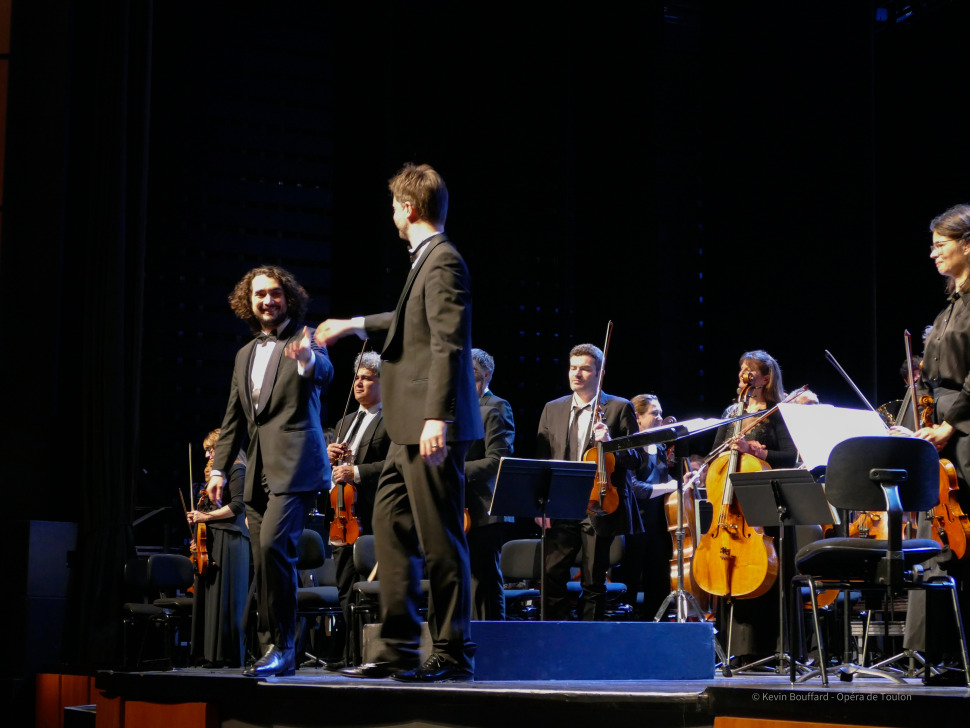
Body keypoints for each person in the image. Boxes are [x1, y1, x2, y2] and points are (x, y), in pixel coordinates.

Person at [315, 163, 482, 682]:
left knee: (440, 537)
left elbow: (448, 343)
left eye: (393, 207)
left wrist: (439, 415)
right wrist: (351, 324)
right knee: (388, 526)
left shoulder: (443, 261)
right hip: (405, 428)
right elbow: (407, 320)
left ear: (407, 208)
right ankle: (398, 647)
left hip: (428, 424)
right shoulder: (426, 262)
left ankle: (453, 650)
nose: (391, 215)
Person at [207, 265, 334, 678]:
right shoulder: (245, 354)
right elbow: (234, 420)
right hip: (259, 470)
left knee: (274, 549)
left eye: (275, 293)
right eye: (259, 294)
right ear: (249, 301)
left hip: (297, 465)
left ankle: (283, 646)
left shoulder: (305, 338)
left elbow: (325, 374)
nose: (267, 300)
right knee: (263, 562)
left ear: (288, 298)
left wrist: (307, 360)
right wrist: (218, 471)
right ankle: (270, 651)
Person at [904, 203, 970, 675]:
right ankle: (936, 656)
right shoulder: (949, 308)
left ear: (967, 244)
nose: (933, 254)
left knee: (965, 544)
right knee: (938, 546)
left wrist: (950, 424)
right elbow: (928, 379)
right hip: (938, 433)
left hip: (965, 431)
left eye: (940, 245)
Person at [535, 343, 644, 620]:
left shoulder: (619, 407)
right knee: (550, 573)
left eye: (585, 368)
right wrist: (540, 505)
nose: (577, 374)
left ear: (600, 373)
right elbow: (543, 459)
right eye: (573, 368)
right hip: (561, 502)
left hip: (599, 500)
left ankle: (588, 640)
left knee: (594, 579)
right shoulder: (552, 408)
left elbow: (637, 458)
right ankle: (557, 634)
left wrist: (609, 444)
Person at [704, 350, 797, 663]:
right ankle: (737, 650)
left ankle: (771, 649)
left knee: (767, 576)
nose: (744, 376)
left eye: (750, 371)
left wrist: (758, 450)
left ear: (766, 378)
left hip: (767, 505)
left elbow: (792, 457)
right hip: (732, 508)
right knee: (733, 575)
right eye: (741, 370)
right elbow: (716, 451)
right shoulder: (733, 412)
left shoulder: (778, 413)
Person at [323, 351, 390, 669]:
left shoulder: (391, 418)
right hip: (342, 515)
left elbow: (393, 465)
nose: (359, 383)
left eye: (367, 377)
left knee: (374, 588)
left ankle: (372, 654)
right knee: (345, 585)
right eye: (357, 377)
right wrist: (329, 455)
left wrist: (357, 472)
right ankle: (349, 653)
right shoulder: (344, 422)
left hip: (375, 512)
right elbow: (332, 469)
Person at [187, 428, 250, 668]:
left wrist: (204, 516)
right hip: (214, 540)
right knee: (209, 597)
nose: (207, 456)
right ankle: (206, 653)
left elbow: (237, 506)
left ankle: (223, 654)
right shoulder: (217, 476)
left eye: (210, 450)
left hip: (231, 540)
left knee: (225, 598)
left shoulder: (237, 469)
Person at [466, 348, 514, 620]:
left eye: (471, 374)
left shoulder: (496, 406)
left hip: (486, 505)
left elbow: (498, 460)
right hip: (461, 506)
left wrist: (455, 471)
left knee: (485, 576)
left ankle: (495, 637)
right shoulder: (455, 408)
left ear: (486, 376)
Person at [620, 394, 676, 619]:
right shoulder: (630, 448)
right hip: (635, 524)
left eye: (660, 412)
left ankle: (657, 626)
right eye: (655, 413)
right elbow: (635, 488)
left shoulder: (660, 447)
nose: (660, 417)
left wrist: (682, 480)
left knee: (659, 581)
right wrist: (670, 486)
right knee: (630, 579)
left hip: (660, 524)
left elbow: (663, 480)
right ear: (638, 417)